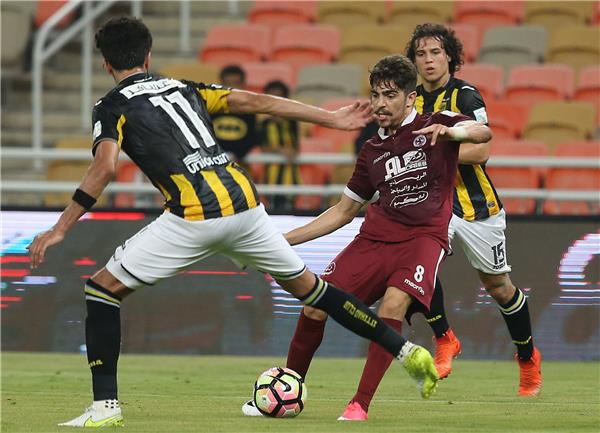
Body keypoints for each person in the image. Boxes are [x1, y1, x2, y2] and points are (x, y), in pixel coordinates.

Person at [27, 17, 439, 428]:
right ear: (148, 56)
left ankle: (105, 408)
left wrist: (61, 227)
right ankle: (406, 351)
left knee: (102, 290)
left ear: (105, 64)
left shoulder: (111, 105)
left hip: (194, 216)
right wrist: (330, 119)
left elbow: (105, 167)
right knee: (316, 292)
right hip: (246, 206)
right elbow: (257, 102)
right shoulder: (184, 88)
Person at [242, 54, 492, 419]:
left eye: (390, 95)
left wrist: (453, 132)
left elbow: (483, 133)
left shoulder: (436, 123)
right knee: (315, 305)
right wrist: (279, 242)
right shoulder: (372, 150)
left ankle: (359, 404)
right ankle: (287, 388)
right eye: (375, 95)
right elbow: (342, 211)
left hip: (423, 240)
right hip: (374, 239)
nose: (380, 103)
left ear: (410, 97)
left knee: (392, 305)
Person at [324, 23, 543, 420]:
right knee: (413, 261)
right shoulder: (406, 99)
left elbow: (482, 151)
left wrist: (434, 150)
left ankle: (527, 356)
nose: (428, 60)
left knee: (498, 286)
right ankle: (444, 337)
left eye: (435, 52)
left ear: (449, 57)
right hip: (430, 208)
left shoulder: (465, 95)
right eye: (421, 54)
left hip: (476, 206)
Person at [258, 80, 301, 212]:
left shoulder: (292, 122)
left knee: (290, 209)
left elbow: (296, 146)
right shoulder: (264, 124)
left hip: (290, 174)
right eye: (271, 98)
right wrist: (279, 150)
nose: (275, 102)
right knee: (273, 208)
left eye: (279, 97)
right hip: (271, 174)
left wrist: (292, 151)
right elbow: (263, 146)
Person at [211, 65, 258, 163]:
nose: (231, 88)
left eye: (236, 84)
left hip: (240, 165)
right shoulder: (210, 109)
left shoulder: (249, 111)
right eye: (227, 84)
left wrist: (238, 154)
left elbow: (251, 139)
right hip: (214, 164)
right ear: (220, 84)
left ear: (243, 85)